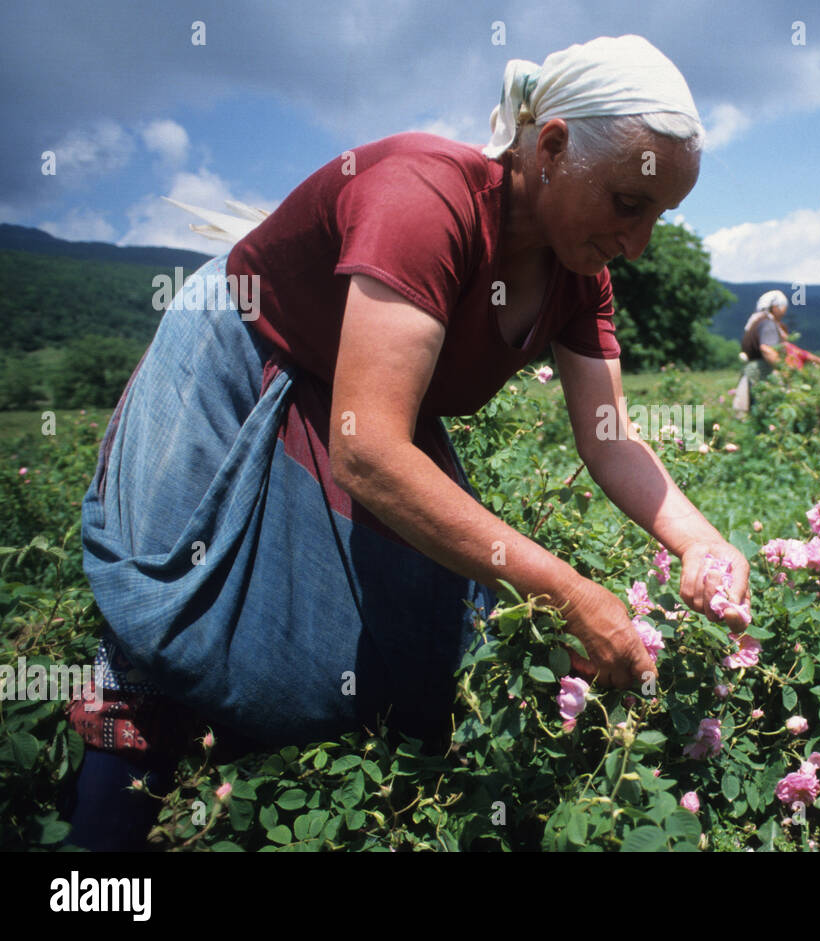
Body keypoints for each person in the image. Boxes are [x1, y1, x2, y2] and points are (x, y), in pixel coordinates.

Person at [63, 34, 751, 850]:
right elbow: (371, 453)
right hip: (244, 360)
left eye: (658, 216)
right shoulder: (425, 198)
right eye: (627, 205)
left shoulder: (579, 273)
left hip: (355, 403)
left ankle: (263, 803)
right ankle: (96, 866)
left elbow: (609, 441)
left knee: (399, 628)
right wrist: (571, 594)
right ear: (554, 147)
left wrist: (703, 544)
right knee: (178, 624)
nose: (637, 244)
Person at [732, 290, 820, 415]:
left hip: (752, 374)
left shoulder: (756, 322)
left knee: (753, 415)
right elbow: (766, 349)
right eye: (783, 306)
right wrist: (786, 369)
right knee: (764, 415)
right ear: (774, 307)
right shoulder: (768, 324)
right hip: (761, 376)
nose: (785, 310)